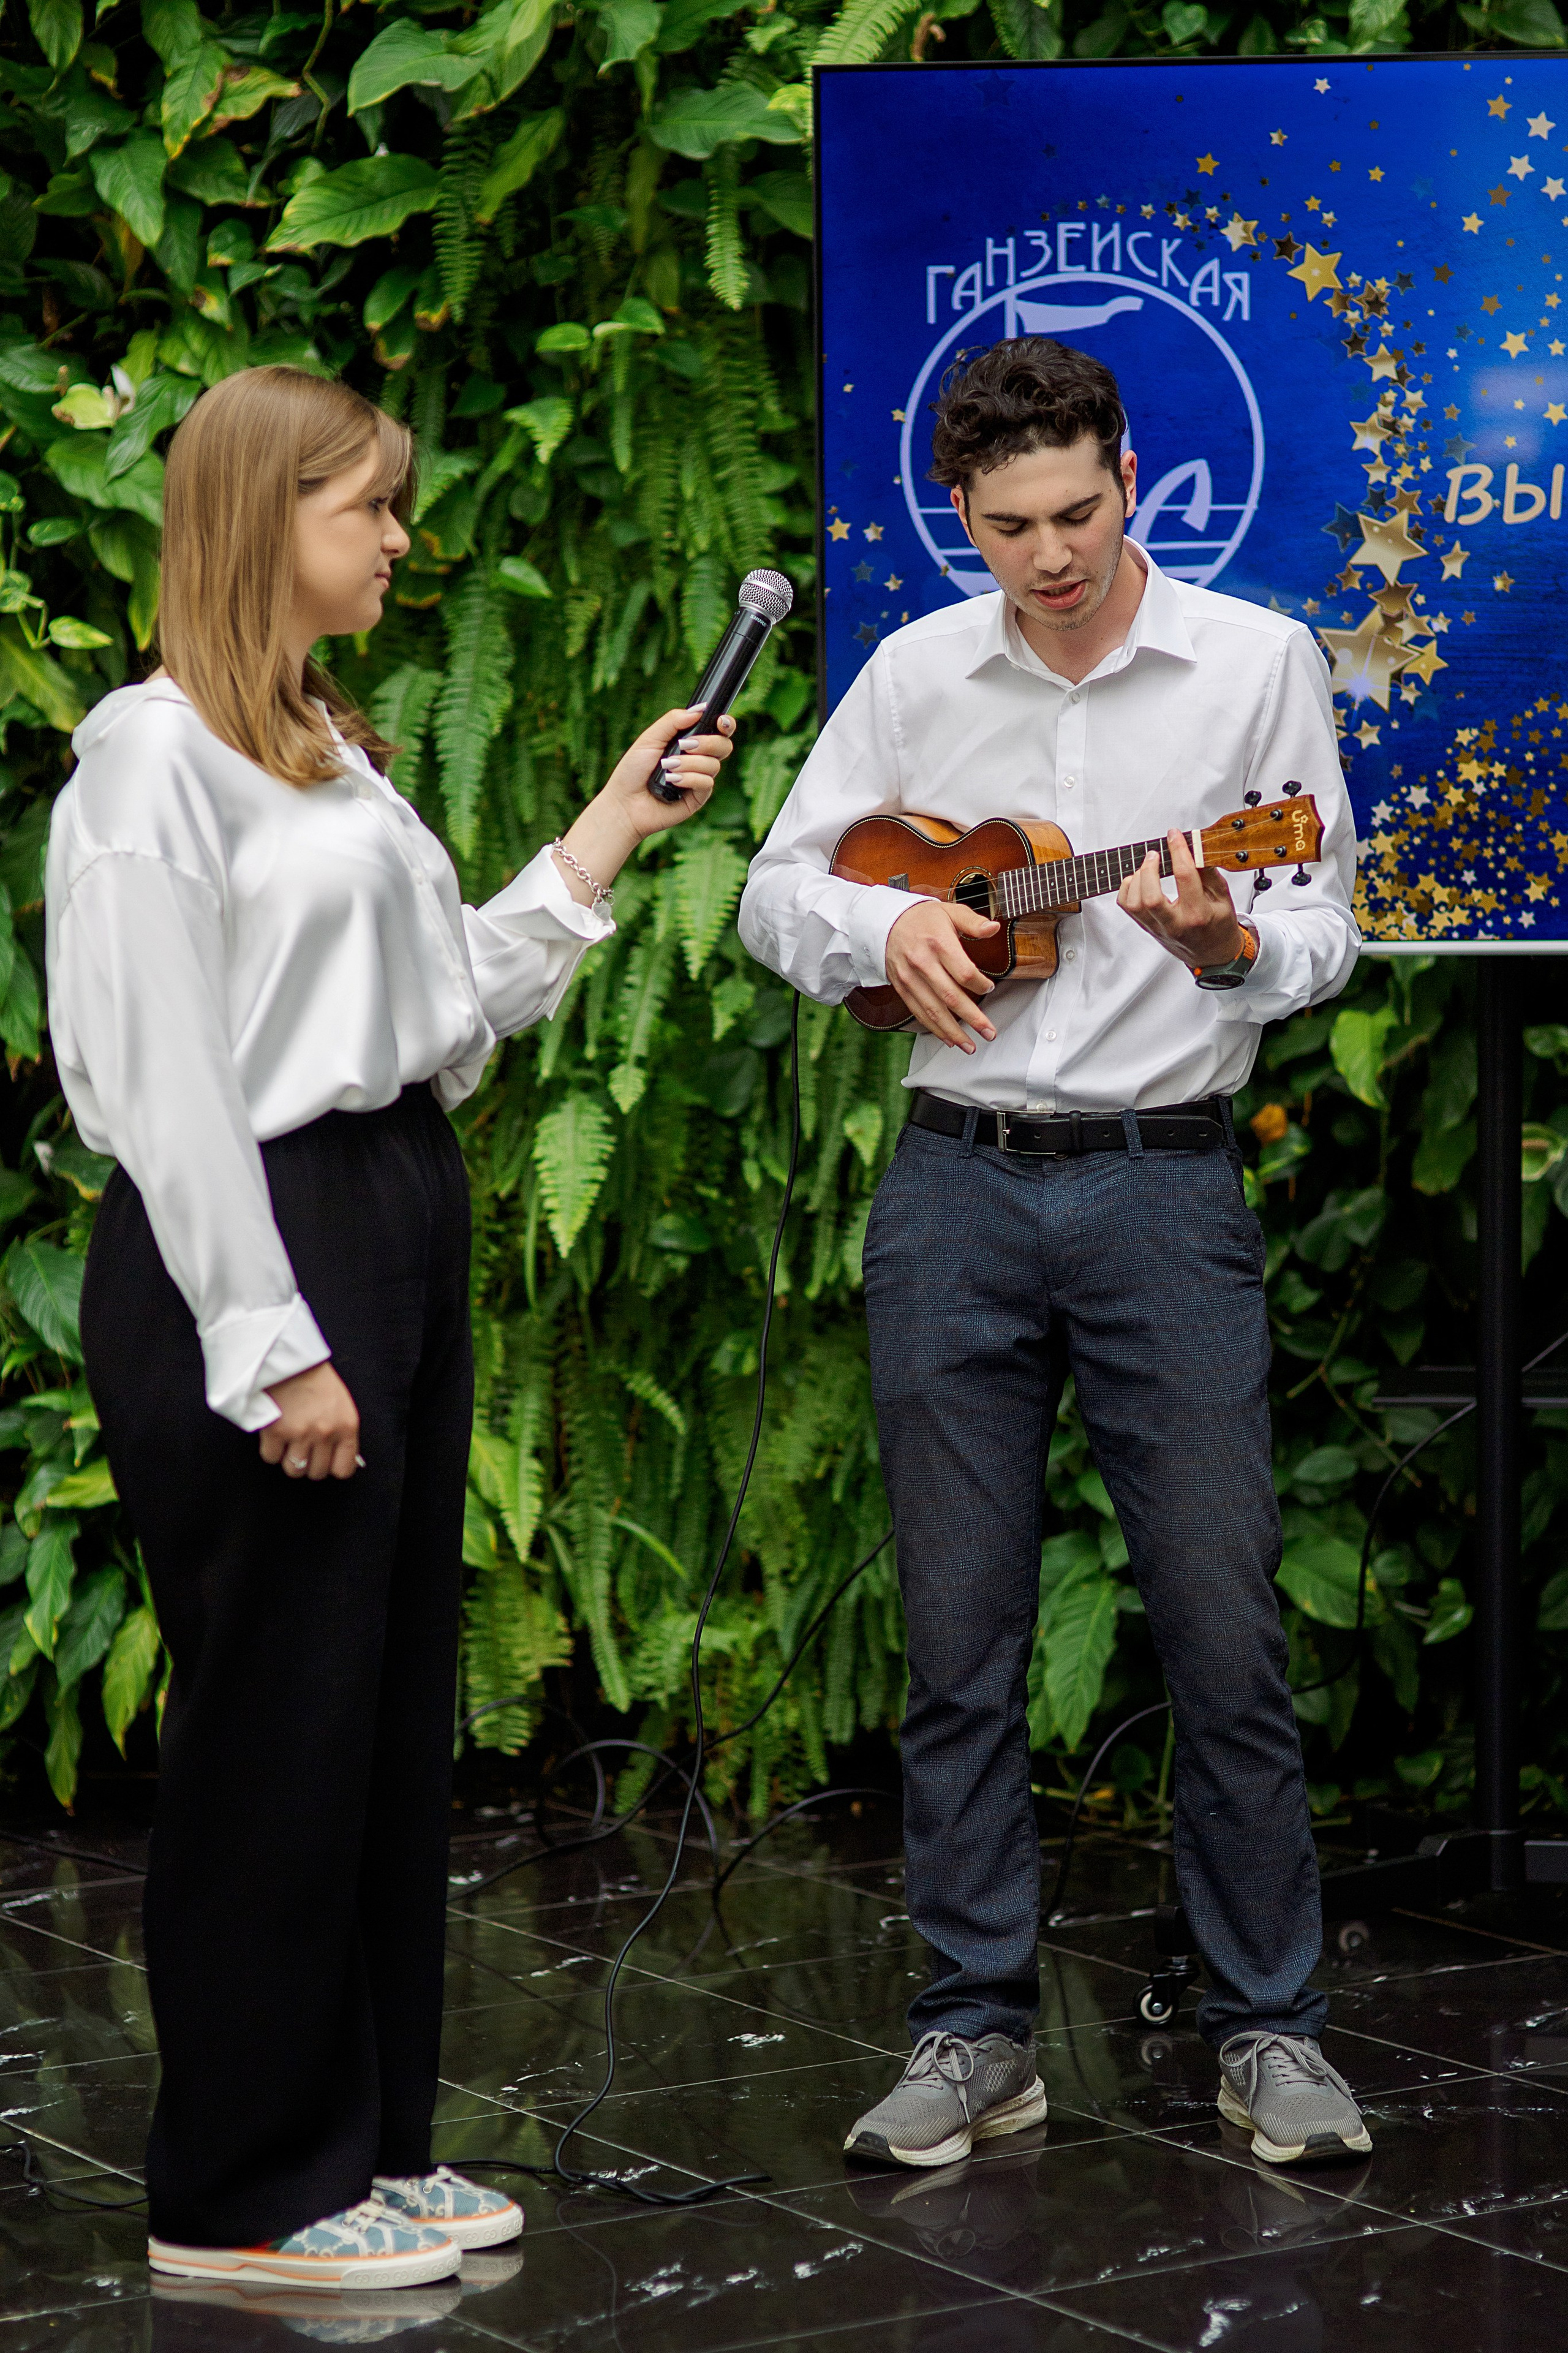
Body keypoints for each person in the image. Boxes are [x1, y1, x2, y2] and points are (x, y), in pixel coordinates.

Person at [45, 364, 734, 2289]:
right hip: (261, 1238)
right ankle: (244, 2191)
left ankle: (367, 2145)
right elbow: (177, 1085)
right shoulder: (146, 765)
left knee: (370, 1725)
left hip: (389, 1200)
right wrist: (270, 1343)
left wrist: (604, 828)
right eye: (370, 509)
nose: (400, 540)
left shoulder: (320, 744)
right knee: (273, 1724)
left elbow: (431, 1006)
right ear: (266, 519)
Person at [739, 338, 1370, 2173]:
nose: (1052, 556)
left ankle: (1271, 2030)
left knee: (1223, 1623)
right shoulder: (916, 672)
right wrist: (887, 932)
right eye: (1010, 526)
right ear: (964, 517)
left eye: (1079, 512)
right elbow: (784, 883)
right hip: (951, 1182)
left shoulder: (1255, 666)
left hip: (1166, 1185)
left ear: (1134, 479)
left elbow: (1321, 907)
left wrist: (1226, 943)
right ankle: (971, 2032)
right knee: (957, 1636)